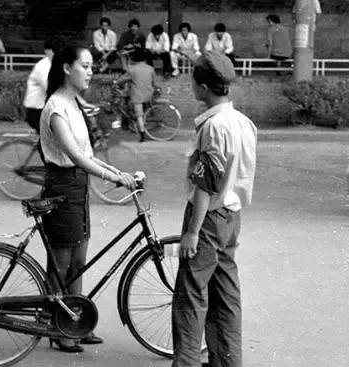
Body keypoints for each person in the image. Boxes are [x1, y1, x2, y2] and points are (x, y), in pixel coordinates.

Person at [40, 44, 136, 353]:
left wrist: (119, 172)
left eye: (92, 66)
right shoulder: (56, 108)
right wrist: (111, 178)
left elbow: (89, 154)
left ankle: (77, 321)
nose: (91, 71)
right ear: (67, 68)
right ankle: (57, 325)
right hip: (62, 186)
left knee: (79, 261)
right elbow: (75, 157)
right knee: (62, 262)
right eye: (85, 65)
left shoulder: (75, 105)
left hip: (77, 186)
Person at [171, 50, 257, 367]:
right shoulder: (244, 123)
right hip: (232, 218)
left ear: (204, 87)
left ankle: (187, 363)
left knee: (190, 296)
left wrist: (192, 232)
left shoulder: (213, 127)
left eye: (194, 81)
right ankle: (227, 361)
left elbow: (206, 185)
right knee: (226, 296)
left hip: (206, 219)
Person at [115, 48, 158, 142]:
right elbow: (155, 83)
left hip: (138, 96)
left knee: (139, 115)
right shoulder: (150, 68)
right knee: (142, 110)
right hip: (149, 94)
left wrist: (116, 82)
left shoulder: (132, 69)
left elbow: (121, 80)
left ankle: (142, 135)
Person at [23, 37, 64, 133]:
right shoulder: (42, 67)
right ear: (46, 51)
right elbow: (51, 89)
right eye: (53, 51)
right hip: (37, 111)